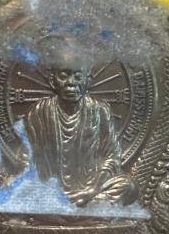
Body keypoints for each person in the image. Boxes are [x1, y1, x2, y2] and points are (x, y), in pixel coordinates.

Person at [22, 59, 139, 207]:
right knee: (24, 188)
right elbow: (30, 156)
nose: (71, 83)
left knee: (128, 187)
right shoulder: (39, 113)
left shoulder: (99, 110)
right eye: (63, 76)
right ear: (52, 81)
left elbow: (112, 155)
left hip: (93, 187)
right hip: (51, 189)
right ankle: (85, 205)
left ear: (87, 81)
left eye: (78, 77)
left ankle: (84, 203)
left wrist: (93, 189)